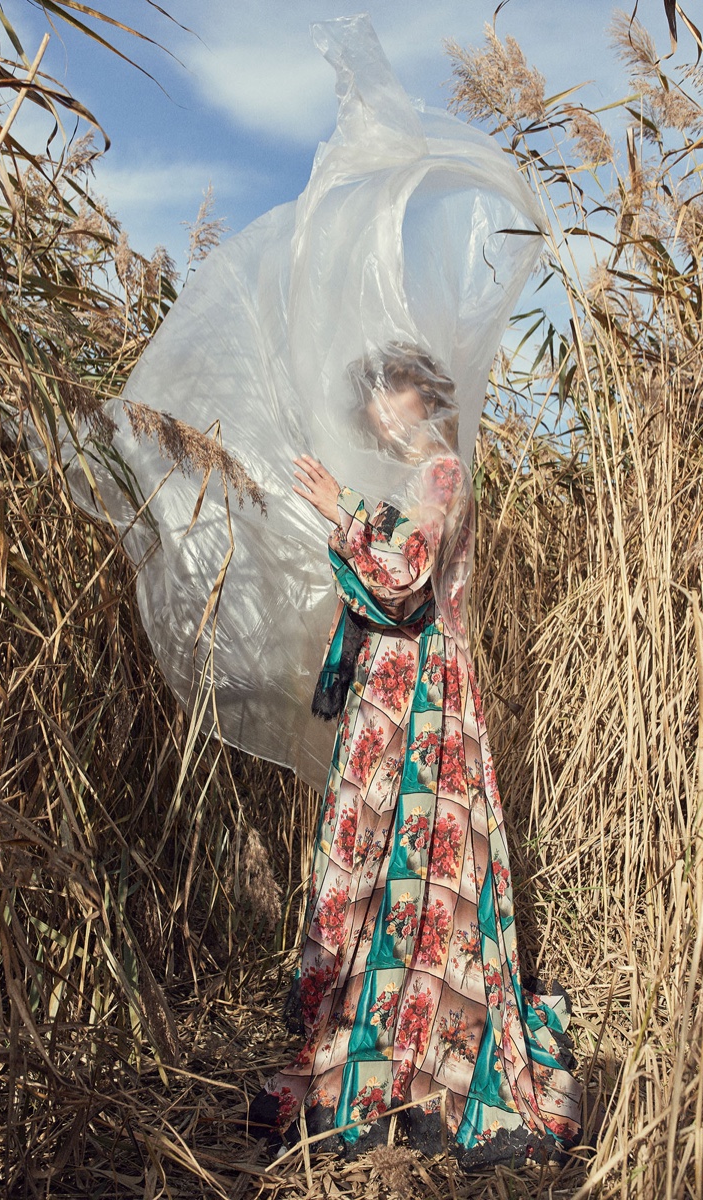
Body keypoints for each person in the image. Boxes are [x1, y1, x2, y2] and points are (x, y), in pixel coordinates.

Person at [248, 346, 583, 1168]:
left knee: (423, 863)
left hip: (424, 701)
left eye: (383, 394)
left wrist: (342, 505)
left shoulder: (441, 473)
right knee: (379, 861)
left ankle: (426, 1036)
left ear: (418, 394)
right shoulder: (418, 481)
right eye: (369, 399)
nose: (373, 412)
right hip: (394, 697)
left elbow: (402, 577)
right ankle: (381, 1012)